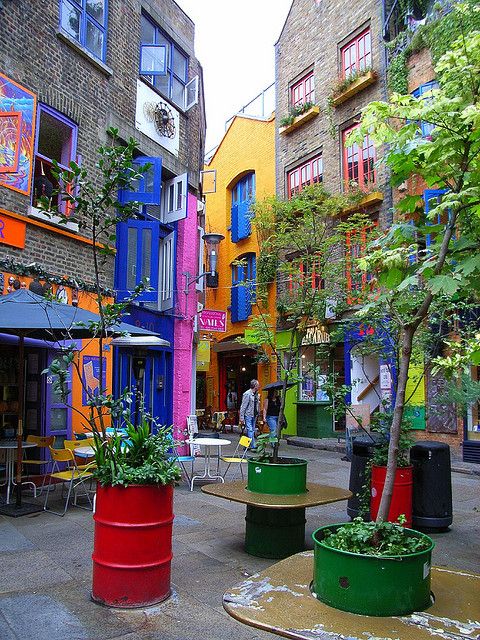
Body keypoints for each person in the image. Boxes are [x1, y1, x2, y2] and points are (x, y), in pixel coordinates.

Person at [239, 379, 260, 448]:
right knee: (250, 430)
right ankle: (253, 446)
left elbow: (256, 405)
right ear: (255, 386)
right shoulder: (247, 394)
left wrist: (258, 412)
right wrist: (241, 417)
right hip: (248, 415)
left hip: (254, 415)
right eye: (258, 385)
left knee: (252, 430)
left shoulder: (256, 394)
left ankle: (246, 446)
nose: (259, 386)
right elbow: (243, 406)